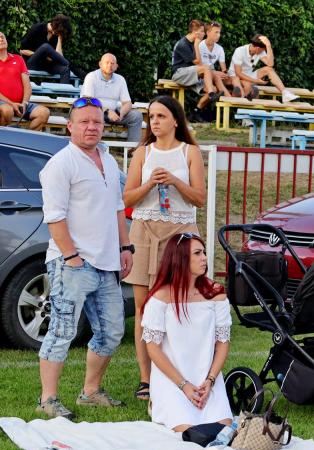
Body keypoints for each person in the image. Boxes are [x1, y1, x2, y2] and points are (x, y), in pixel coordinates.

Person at [37, 97, 133, 420]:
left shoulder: (108, 160)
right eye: (84, 122)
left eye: (97, 122)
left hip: (107, 263)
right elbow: (54, 216)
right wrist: (71, 256)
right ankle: (47, 399)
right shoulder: (61, 164)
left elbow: (117, 207)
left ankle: (90, 392)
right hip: (72, 264)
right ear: (70, 126)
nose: (91, 127)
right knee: (62, 331)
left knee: (112, 331)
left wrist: (125, 247)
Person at [123, 95, 206, 403]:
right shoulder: (142, 152)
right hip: (145, 231)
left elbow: (199, 198)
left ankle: (179, 373)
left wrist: (174, 181)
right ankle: (146, 379)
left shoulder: (190, 152)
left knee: (180, 304)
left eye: (160, 116)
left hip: (180, 233)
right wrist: (149, 185)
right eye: (151, 117)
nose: (154, 122)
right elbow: (127, 198)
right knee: (144, 309)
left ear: (175, 120)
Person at [140, 233, 233, 432]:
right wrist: (184, 385)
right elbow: (153, 349)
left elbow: (223, 342)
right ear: (180, 258)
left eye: (204, 253)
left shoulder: (216, 293)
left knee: (223, 430)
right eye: (197, 253)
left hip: (207, 379)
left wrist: (210, 381)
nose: (204, 258)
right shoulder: (160, 297)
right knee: (189, 432)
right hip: (173, 380)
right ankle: (158, 402)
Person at [81, 53, 143, 142]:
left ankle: (133, 148)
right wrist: (107, 111)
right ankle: (92, 145)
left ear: (116, 66)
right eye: (107, 62)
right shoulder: (91, 76)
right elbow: (88, 100)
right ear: (100, 64)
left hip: (114, 113)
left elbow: (127, 103)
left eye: (112, 63)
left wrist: (120, 113)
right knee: (93, 114)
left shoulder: (120, 79)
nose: (109, 65)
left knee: (136, 116)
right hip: (95, 111)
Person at [0, 31, 49, 130]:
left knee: (44, 113)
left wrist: (24, 103)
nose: (1, 39)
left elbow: (27, 86)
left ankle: (25, 137)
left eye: (2, 37)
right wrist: (12, 104)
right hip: (3, 104)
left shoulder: (18, 59)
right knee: (7, 111)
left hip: (21, 104)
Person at [227, 35, 298, 103]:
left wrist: (269, 46)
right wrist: (256, 81)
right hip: (235, 77)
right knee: (247, 84)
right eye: (263, 50)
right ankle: (242, 103)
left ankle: (285, 93)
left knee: (269, 69)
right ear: (258, 48)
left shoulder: (259, 51)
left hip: (248, 76)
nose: (263, 51)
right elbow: (238, 73)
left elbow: (270, 64)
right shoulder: (240, 51)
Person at [171, 20, 217, 122]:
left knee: (214, 89)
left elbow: (199, 65)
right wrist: (196, 45)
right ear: (195, 32)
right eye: (202, 31)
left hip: (190, 74)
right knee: (206, 68)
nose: (204, 34)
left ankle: (195, 112)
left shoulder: (194, 42)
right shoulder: (183, 44)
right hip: (179, 74)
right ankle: (211, 94)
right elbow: (198, 63)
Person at [19, 14, 74, 84]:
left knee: (65, 70)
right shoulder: (38, 28)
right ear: (57, 26)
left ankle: (63, 92)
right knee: (46, 47)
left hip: (46, 65)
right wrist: (41, 55)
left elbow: (59, 57)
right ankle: (70, 65)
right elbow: (22, 51)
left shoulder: (56, 35)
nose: (59, 34)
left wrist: (60, 39)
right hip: (31, 63)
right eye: (60, 32)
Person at [199, 21, 234, 98]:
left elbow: (223, 69)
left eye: (219, 32)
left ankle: (236, 99)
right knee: (216, 83)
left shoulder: (219, 48)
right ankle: (230, 99)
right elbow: (198, 66)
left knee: (233, 80)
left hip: (213, 75)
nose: (219, 35)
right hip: (201, 75)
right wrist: (215, 73)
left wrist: (224, 74)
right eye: (216, 32)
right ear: (208, 32)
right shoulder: (199, 46)